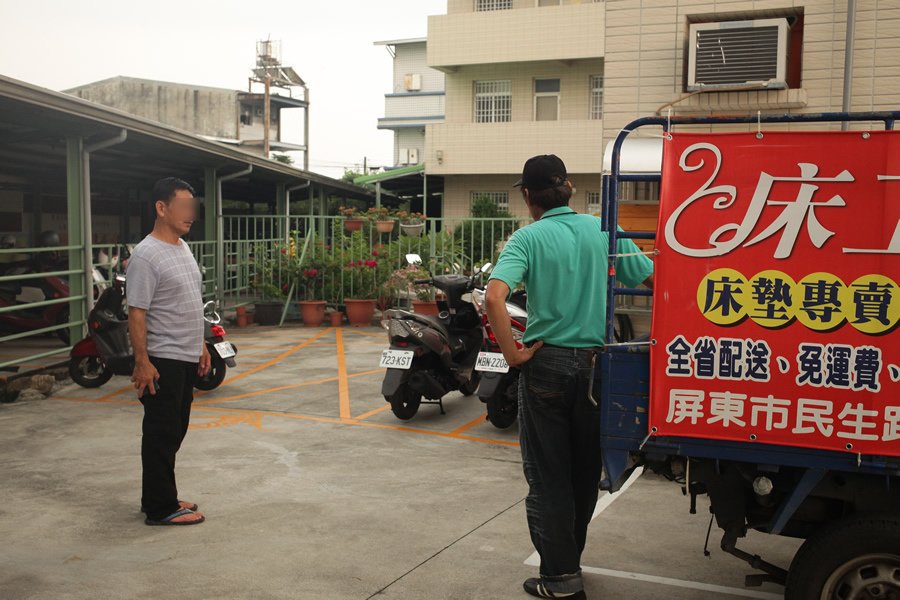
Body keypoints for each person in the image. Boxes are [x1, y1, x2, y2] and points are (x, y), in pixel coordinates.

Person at [485, 155, 654, 599]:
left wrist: (513, 354)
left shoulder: (527, 238)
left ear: (528, 196)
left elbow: (494, 297)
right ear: (570, 189)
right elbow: (654, 279)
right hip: (602, 367)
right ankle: (567, 565)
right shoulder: (604, 230)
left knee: (548, 475)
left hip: (548, 365)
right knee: (582, 473)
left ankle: (560, 579)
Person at [127, 177, 210, 526]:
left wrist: (202, 343)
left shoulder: (181, 247)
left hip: (186, 355)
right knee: (161, 433)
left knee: (175, 430)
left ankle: (163, 495)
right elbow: (137, 311)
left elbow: (189, 301)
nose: (190, 215)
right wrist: (142, 362)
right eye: (183, 206)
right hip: (162, 359)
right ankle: (159, 508)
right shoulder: (146, 255)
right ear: (162, 208)